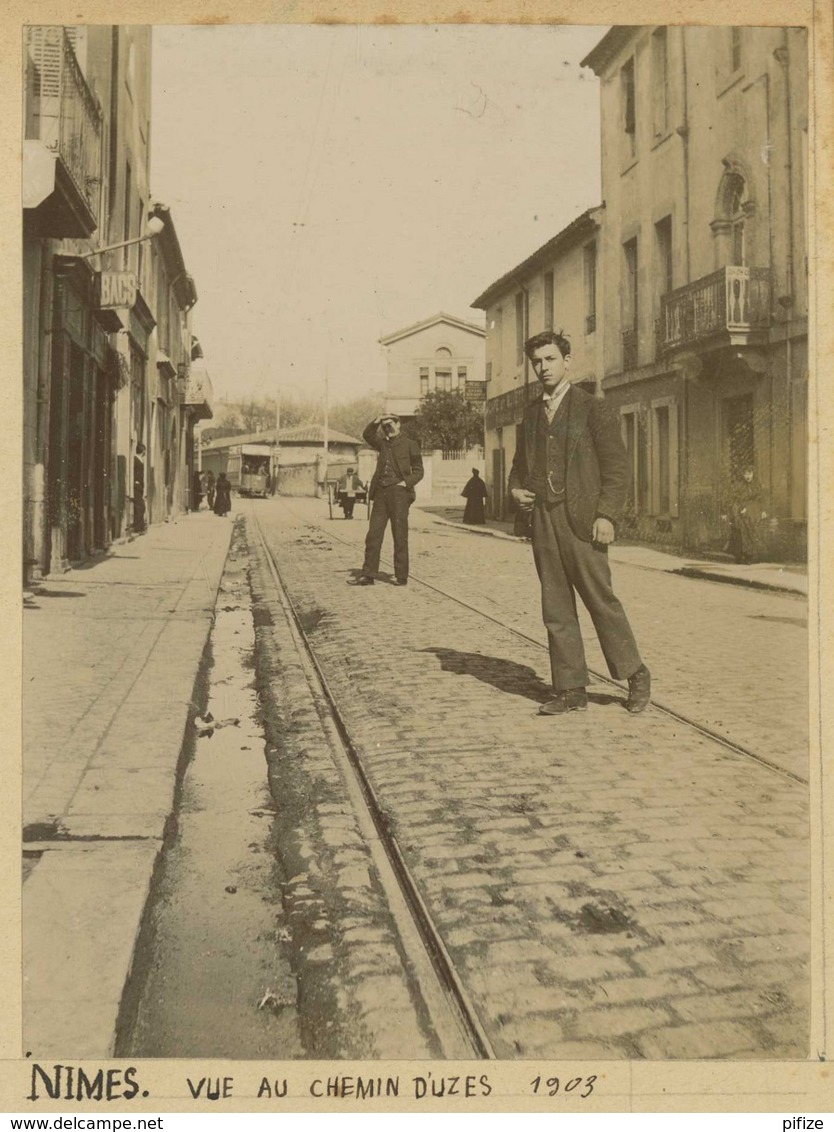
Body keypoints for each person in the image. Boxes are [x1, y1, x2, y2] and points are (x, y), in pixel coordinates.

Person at [508, 329, 650, 716]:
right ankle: (571, 689)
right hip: (543, 519)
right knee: (555, 606)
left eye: (550, 359)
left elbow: (617, 469)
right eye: (536, 362)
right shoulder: (532, 414)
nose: (543, 368)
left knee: (600, 601)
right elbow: (519, 467)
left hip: (584, 521)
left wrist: (607, 514)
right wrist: (516, 490)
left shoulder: (592, 408)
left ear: (567, 362)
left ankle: (635, 673)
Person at [349, 414, 423, 586]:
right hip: (381, 493)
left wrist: (405, 483)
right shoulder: (382, 444)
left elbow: (419, 471)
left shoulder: (410, 444)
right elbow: (367, 435)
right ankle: (368, 574)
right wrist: (376, 420)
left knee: (399, 535)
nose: (387, 429)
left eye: (390, 425)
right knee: (373, 535)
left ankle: (401, 576)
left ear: (398, 425)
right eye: (384, 427)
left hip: (399, 494)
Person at [724, 467, 767, 564]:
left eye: (750, 473)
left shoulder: (756, 485)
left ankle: (753, 555)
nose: (748, 476)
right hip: (742, 511)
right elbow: (737, 498)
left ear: (753, 473)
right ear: (743, 475)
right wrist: (742, 508)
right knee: (744, 533)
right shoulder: (740, 486)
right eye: (746, 474)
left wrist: (763, 510)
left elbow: (761, 498)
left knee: (755, 532)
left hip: (754, 511)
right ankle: (744, 556)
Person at [133, 442, 146, 533]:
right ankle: (138, 528)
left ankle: (140, 527)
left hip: (140, 486)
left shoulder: (140, 459)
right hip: (137, 486)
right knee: (140, 507)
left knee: (141, 507)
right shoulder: (136, 460)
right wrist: (136, 481)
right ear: (143, 451)